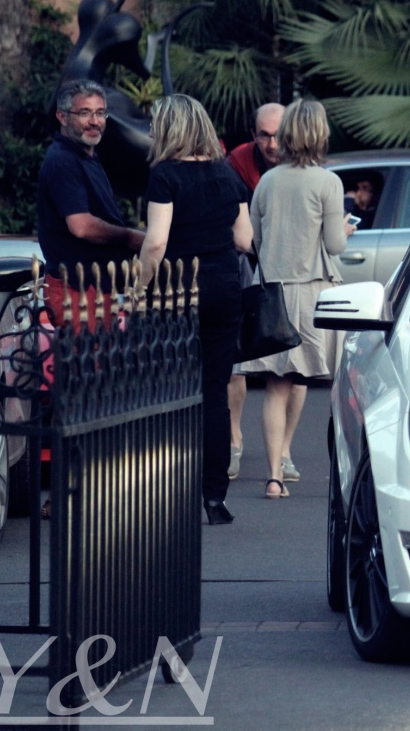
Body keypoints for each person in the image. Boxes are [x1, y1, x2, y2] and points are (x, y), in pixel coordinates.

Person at [137, 95, 252, 526]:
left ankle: (169, 487)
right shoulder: (227, 175)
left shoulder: (165, 176)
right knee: (215, 392)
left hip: (177, 289)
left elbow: (156, 242)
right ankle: (214, 497)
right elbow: (244, 240)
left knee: (170, 388)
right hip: (224, 286)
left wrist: (138, 287)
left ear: (169, 129)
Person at [239, 100, 353, 499]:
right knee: (306, 379)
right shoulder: (327, 183)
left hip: (273, 294)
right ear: (319, 134)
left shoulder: (268, 181)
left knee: (275, 385)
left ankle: (273, 475)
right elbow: (335, 245)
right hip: (312, 293)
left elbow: (254, 239)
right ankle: (291, 455)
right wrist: (343, 229)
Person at [224, 103, 301, 483]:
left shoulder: (306, 164)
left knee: (294, 365)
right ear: (253, 135)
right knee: (237, 355)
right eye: (264, 135)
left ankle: (283, 449)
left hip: (291, 269)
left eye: (278, 134)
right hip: (247, 259)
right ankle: (234, 437)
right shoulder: (237, 162)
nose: (272, 143)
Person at [36, 79, 146, 330]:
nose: (95, 121)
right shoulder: (63, 160)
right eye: (84, 113)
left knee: (97, 366)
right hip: (74, 290)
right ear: (62, 117)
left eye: (100, 113)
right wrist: (129, 236)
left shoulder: (87, 156)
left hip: (93, 288)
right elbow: (81, 226)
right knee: (84, 367)